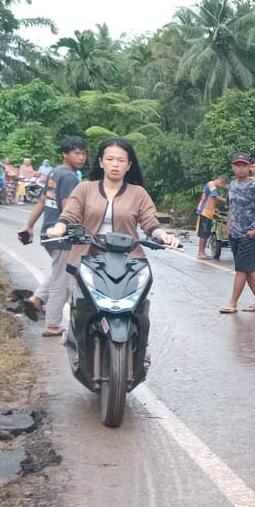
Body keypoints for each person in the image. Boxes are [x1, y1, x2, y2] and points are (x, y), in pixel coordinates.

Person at [45, 137, 181, 360]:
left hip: (129, 260)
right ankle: (77, 340)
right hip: (88, 258)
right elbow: (69, 214)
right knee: (83, 305)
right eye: (110, 159)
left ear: (129, 165)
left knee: (137, 306)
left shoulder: (138, 193)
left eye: (121, 160)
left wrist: (163, 235)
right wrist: (59, 227)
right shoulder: (85, 188)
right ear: (101, 162)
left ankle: (140, 348)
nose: (115, 164)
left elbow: (150, 221)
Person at [18, 136, 89, 337]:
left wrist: (29, 225)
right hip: (62, 235)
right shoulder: (69, 177)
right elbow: (69, 209)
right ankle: (52, 325)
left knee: (60, 272)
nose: (81, 157)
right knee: (63, 283)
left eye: (84, 153)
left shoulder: (54, 173)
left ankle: (36, 300)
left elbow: (42, 201)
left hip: (48, 233)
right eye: (76, 153)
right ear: (65, 154)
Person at [220, 152, 255, 314]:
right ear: (232, 167)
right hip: (234, 233)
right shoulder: (232, 185)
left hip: (249, 234)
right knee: (247, 269)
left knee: (241, 268)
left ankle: (232, 302)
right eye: (238, 165)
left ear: (249, 167)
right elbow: (230, 208)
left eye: (244, 165)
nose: (241, 169)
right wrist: (228, 226)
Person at [194, 174, 228, 259]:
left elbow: (210, 199)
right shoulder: (211, 184)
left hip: (209, 213)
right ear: (222, 181)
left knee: (206, 234)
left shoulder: (213, 187)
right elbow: (215, 196)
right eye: (223, 185)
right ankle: (200, 253)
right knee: (203, 234)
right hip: (204, 212)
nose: (222, 187)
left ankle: (203, 253)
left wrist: (215, 209)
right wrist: (228, 201)